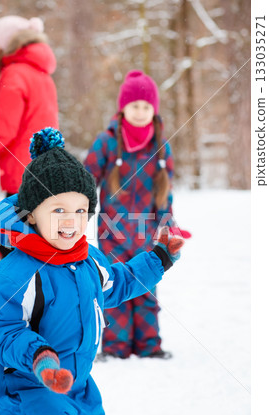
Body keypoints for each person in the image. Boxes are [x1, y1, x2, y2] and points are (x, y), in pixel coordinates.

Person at [0, 127, 184, 415]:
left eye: (80, 211)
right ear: (32, 215)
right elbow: (0, 327)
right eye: (58, 210)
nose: (71, 221)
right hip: (30, 386)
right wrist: (40, 356)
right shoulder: (13, 275)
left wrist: (159, 259)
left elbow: (116, 283)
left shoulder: (87, 260)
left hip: (79, 383)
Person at [84, 70, 181, 360]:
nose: (140, 112)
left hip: (147, 232)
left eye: (146, 106)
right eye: (135, 106)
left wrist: (168, 229)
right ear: (123, 108)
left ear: (154, 110)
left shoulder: (161, 147)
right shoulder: (107, 142)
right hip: (112, 232)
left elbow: (165, 195)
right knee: (114, 285)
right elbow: (87, 181)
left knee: (147, 287)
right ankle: (115, 348)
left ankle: (150, 346)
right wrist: (76, 216)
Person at [0, 15, 59, 197]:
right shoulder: (42, 75)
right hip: (45, 172)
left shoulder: (14, 75)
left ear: (6, 44)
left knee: (16, 225)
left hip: (22, 177)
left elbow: (4, 131)